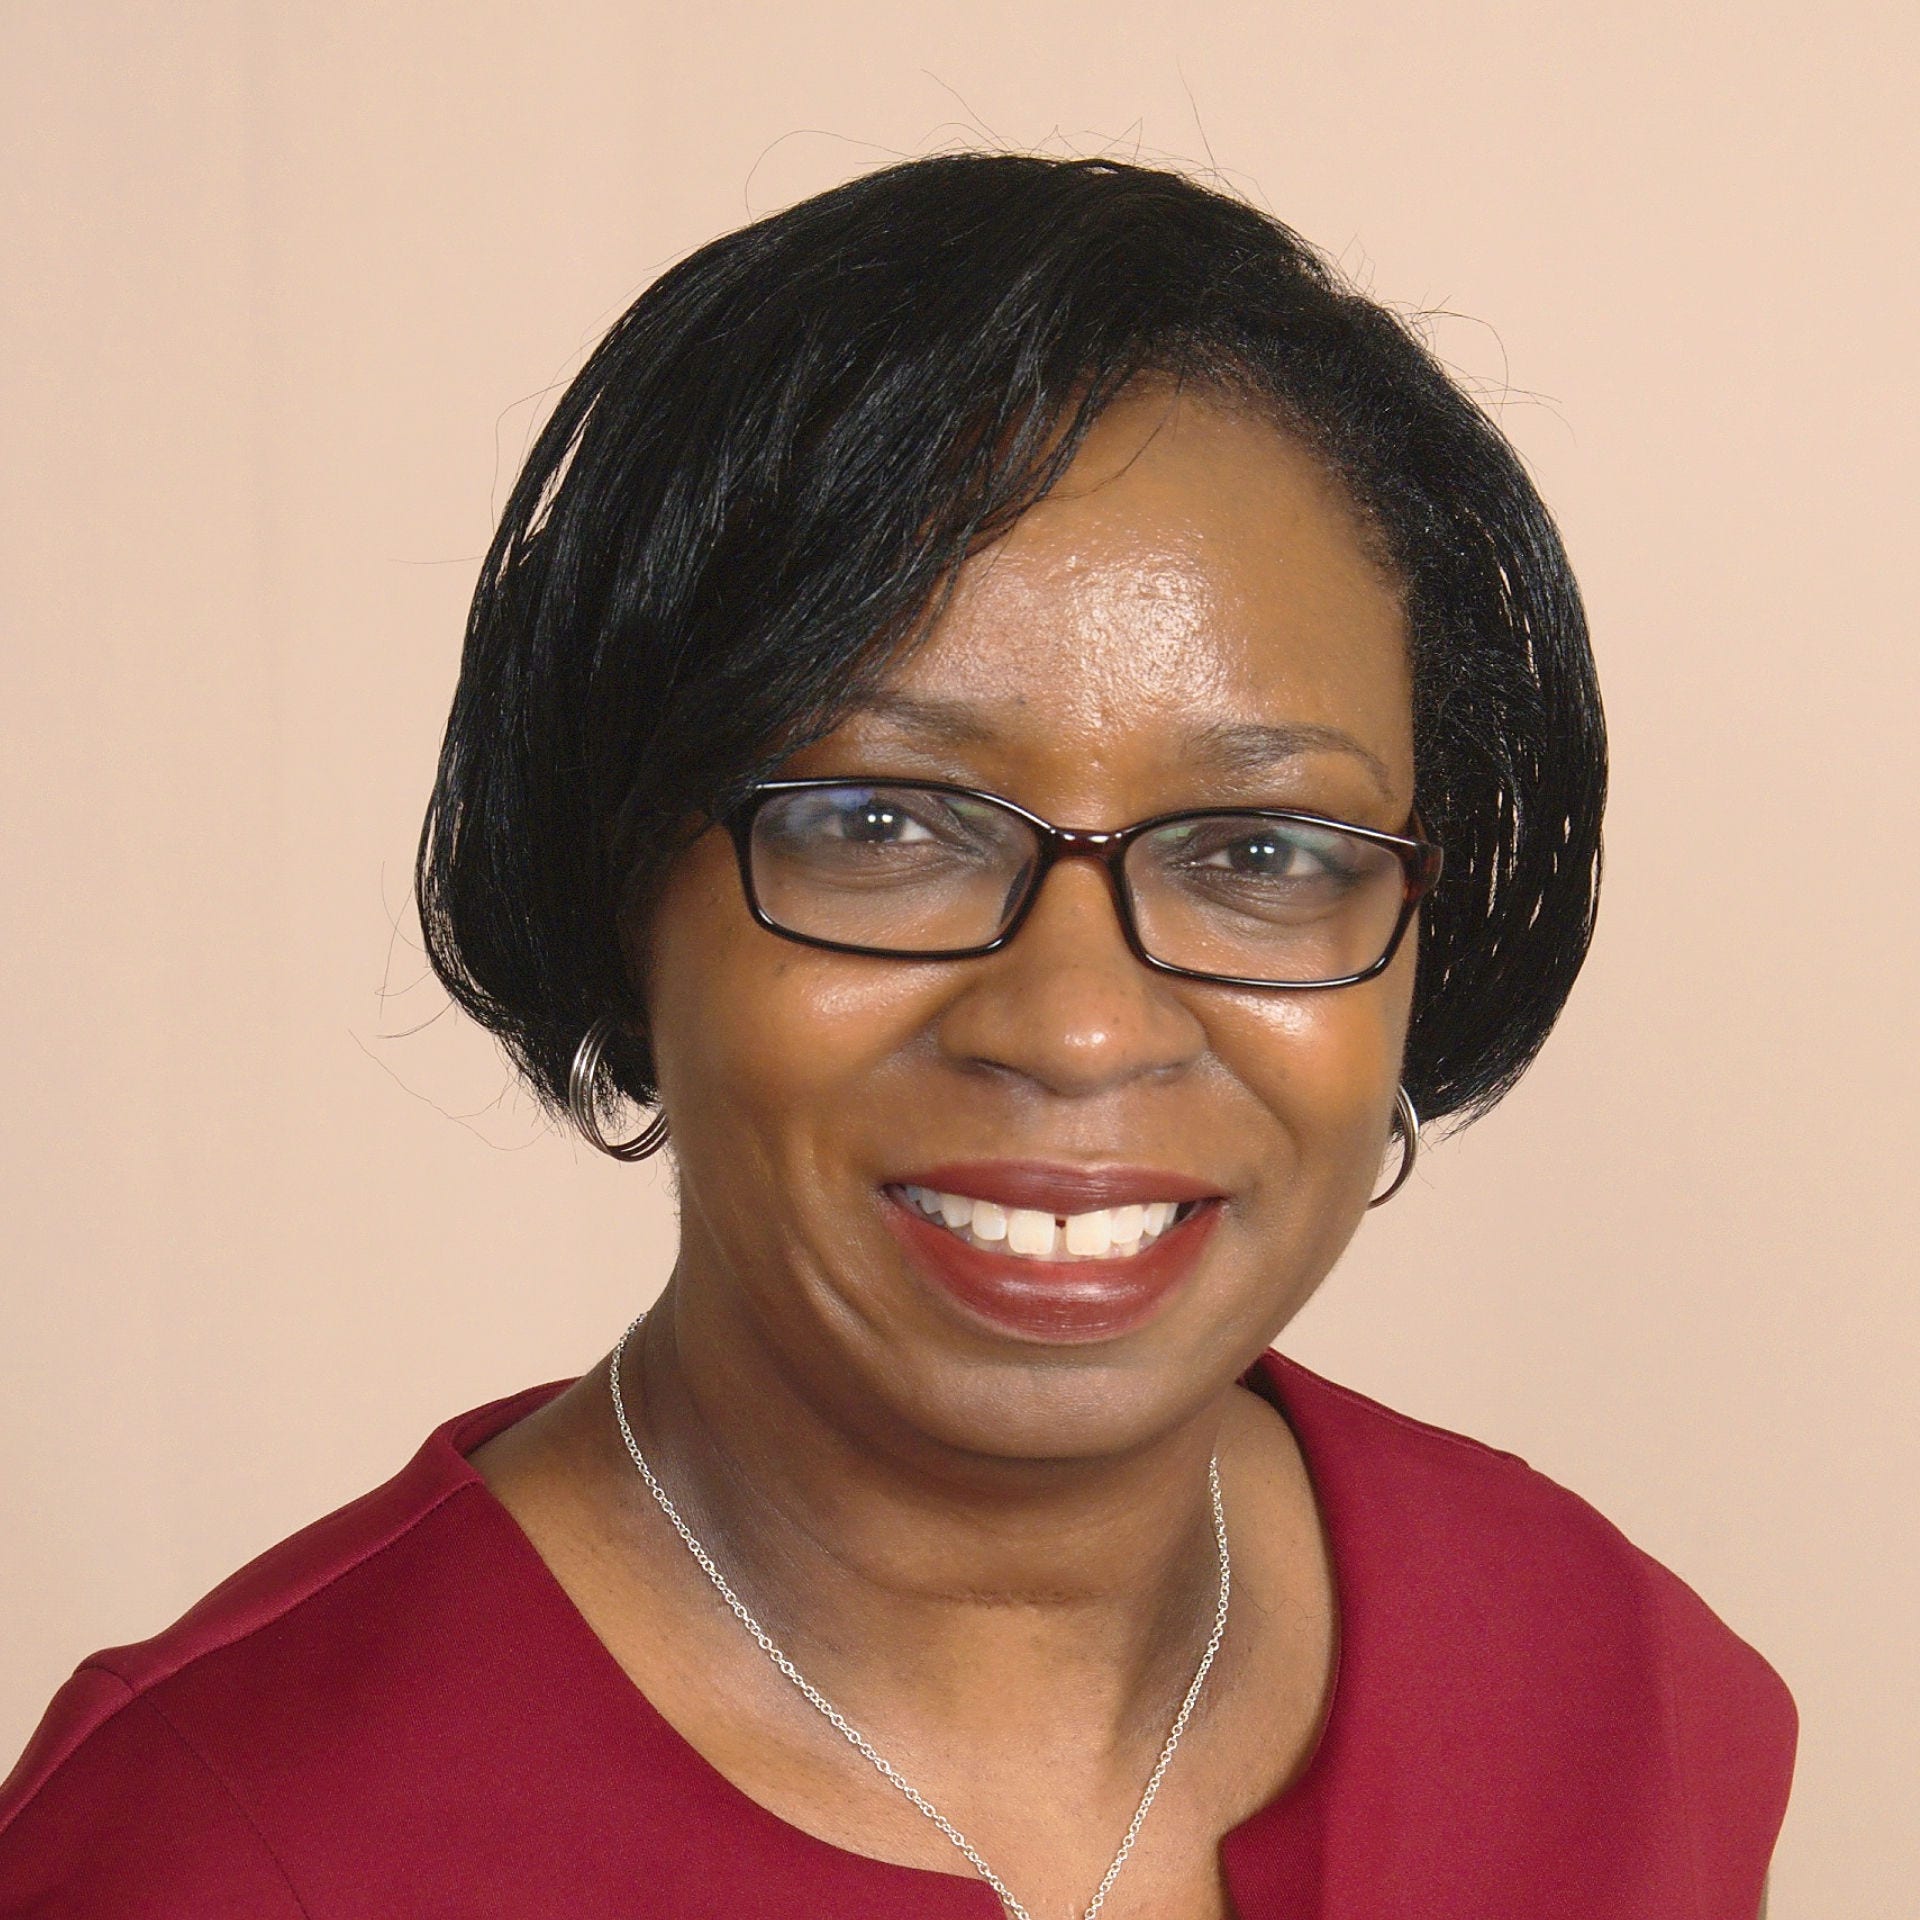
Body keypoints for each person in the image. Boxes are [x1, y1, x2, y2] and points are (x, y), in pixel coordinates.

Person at [0, 153, 1793, 1919]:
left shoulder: (1612, 1702)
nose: (1082, 1026)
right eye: (882, 824)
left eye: (1261, 852)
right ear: (626, 877)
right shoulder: (225, 1849)